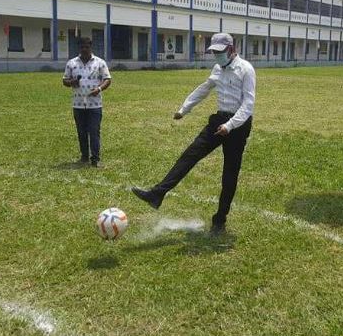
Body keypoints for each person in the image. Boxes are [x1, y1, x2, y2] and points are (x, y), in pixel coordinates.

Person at [131, 33, 256, 234]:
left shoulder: (246, 70)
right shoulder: (217, 68)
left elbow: (248, 104)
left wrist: (230, 126)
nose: (216, 56)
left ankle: (219, 221)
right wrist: (184, 109)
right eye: (214, 52)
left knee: (229, 174)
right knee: (190, 155)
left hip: (238, 126)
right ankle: (157, 194)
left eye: (220, 52)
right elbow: (203, 89)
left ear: (231, 50)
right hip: (219, 121)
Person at [62, 37, 111, 168]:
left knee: (94, 131)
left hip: (94, 104)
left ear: (91, 47)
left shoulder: (100, 63)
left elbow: (107, 79)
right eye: (82, 47)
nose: (84, 49)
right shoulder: (71, 63)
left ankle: (95, 159)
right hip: (78, 104)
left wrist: (99, 88)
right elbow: (64, 80)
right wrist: (72, 82)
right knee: (81, 131)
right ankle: (84, 157)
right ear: (79, 48)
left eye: (87, 47)